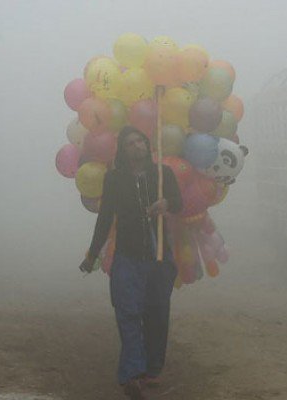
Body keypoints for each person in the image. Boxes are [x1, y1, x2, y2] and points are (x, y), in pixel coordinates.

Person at [79, 126, 183, 399]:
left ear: (147, 145)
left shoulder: (163, 174)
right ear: (123, 151)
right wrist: (92, 254)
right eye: (130, 143)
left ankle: (151, 368)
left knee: (156, 315)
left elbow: (179, 203)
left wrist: (166, 202)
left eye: (140, 141)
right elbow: (105, 219)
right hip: (128, 257)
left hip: (159, 258)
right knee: (127, 312)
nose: (137, 146)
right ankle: (132, 374)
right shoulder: (114, 179)